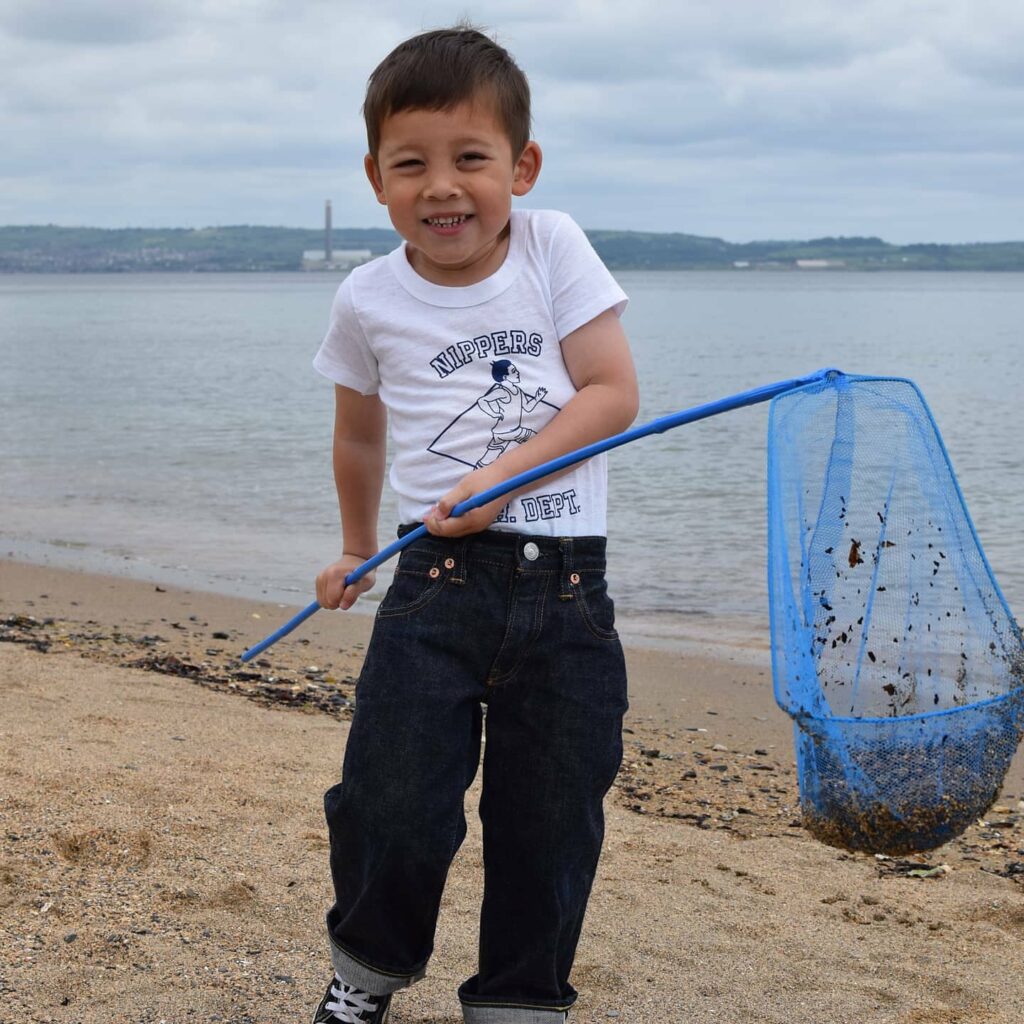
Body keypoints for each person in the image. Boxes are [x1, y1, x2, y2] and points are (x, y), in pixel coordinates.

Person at [311, 24, 638, 1024]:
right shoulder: (366, 297)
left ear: (521, 167)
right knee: (390, 800)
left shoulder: (551, 246)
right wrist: (357, 549)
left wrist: (500, 478)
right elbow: (360, 441)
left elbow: (612, 392)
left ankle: (518, 1003)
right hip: (433, 592)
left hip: (566, 594)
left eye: (471, 159)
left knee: (548, 819)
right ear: (375, 179)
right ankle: (364, 975)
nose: (443, 187)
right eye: (411, 164)